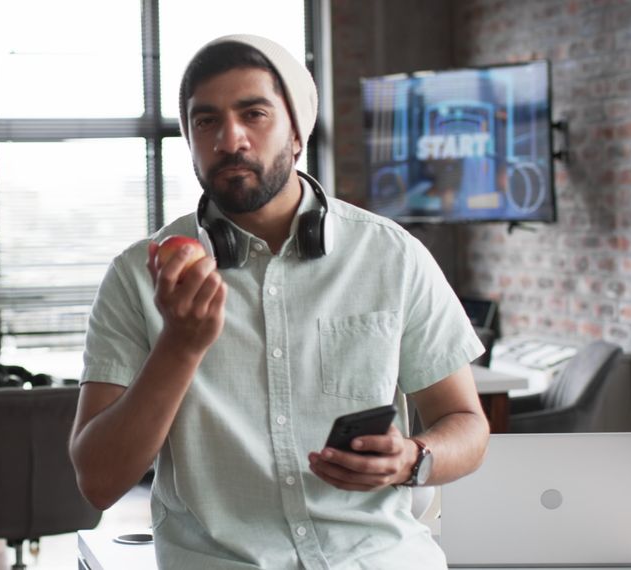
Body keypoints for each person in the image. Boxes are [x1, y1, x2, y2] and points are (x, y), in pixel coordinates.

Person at [70, 34, 490, 569]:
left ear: (297, 133)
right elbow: (99, 482)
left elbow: (467, 424)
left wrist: (413, 458)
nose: (230, 138)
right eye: (206, 121)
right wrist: (180, 345)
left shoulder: (392, 254)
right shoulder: (137, 276)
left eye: (254, 114)